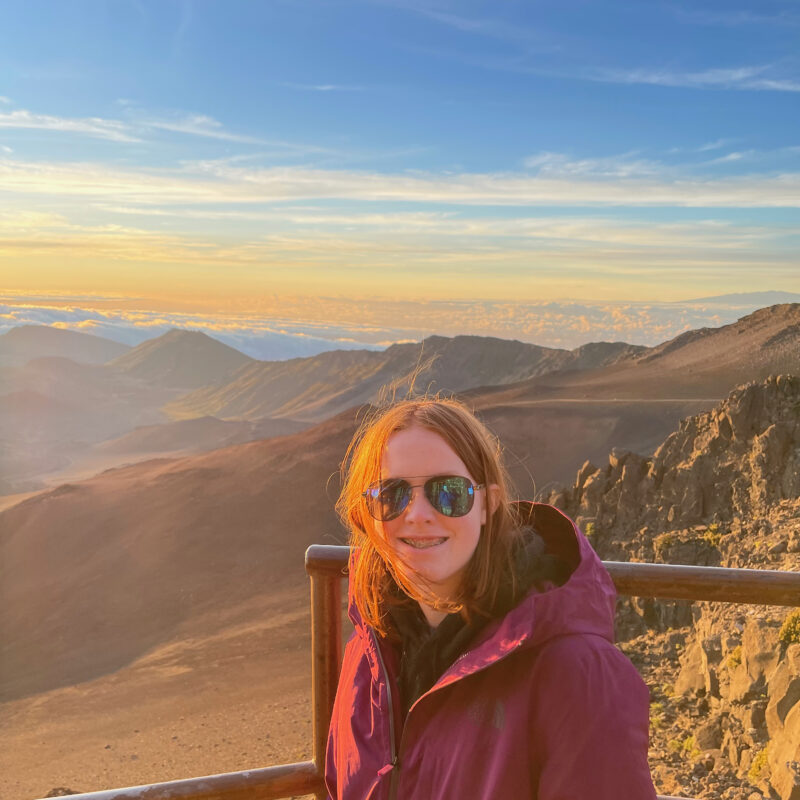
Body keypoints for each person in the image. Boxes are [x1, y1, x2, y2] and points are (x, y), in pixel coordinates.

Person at [326, 397, 657, 799]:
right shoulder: (370, 653)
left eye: (448, 492)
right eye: (391, 494)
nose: (417, 514)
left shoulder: (576, 674)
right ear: (367, 515)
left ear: (489, 503)